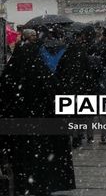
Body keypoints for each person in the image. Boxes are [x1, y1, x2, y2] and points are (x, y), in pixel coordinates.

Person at [0, 25, 78, 195]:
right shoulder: (44, 75)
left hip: (18, 135)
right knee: (42, 169)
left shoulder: (10, 75)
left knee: (23, 168)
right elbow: (58, 101)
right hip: (44, 134)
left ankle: (24, 188)